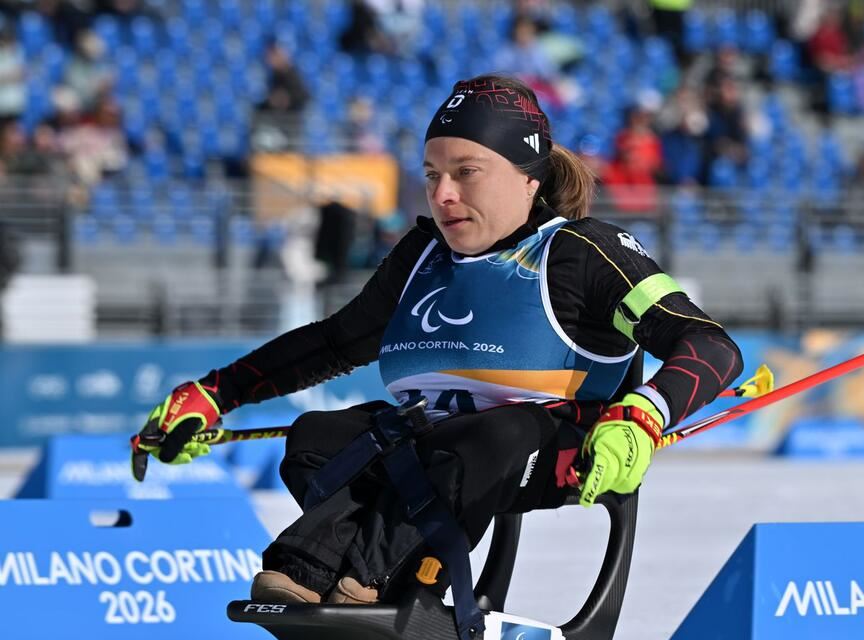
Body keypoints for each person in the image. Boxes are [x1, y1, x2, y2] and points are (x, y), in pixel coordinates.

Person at [133, 75, 742, 607]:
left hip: (545, 450)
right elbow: (334, 342)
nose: (443, 193)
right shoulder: (421, 255)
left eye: (466, 173)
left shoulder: (584, 251)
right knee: (316, 438)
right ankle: (321, 572)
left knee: (483, 442)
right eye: (432, 175)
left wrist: (644, 414)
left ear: (528, 180)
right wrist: (215, 393)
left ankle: (374, 579)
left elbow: (711, 346)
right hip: (426, 444)